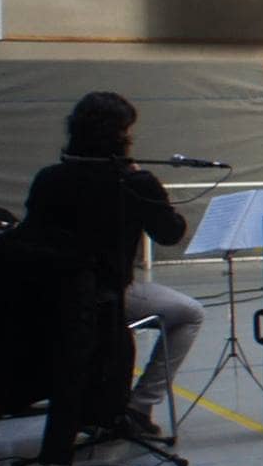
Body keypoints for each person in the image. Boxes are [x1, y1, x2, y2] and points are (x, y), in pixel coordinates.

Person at [20, 92, 204, 436]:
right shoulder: (133, 182)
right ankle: (140, 406)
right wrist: (151, 190)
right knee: (190, 313)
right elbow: (170, 233)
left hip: (48, 295)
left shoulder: (48, 179)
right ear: (120, 135)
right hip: (106, 293)